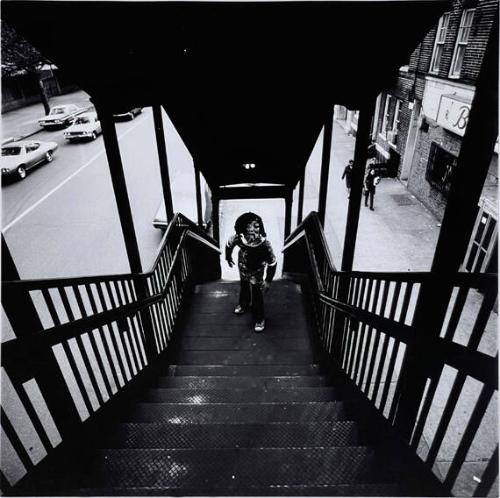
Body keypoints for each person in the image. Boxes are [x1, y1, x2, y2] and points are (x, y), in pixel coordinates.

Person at [225, 212, 277, 333]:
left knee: (257, 293)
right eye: (249, 226)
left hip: (257, 271)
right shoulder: (238, 238)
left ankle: (259, 318)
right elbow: (229, 245)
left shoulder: (264, 244)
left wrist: (268, 280)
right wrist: (228, 257)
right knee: (243, 285)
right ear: (243, 227)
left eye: (256, 226)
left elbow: (272, 263)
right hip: (243, 267)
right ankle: (243, 304)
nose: (253, 230)